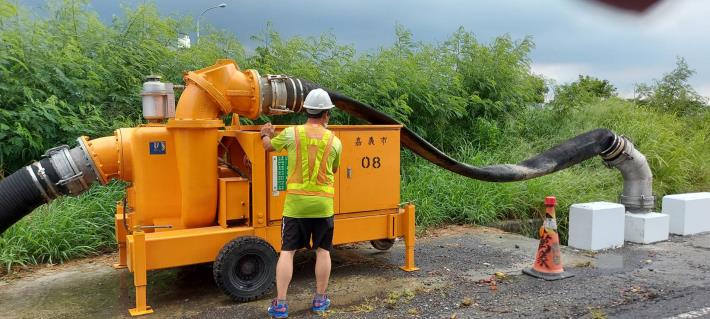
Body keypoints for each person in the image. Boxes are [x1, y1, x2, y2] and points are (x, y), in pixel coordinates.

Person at [260, 88, 342, 318]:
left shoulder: (292, 133)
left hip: (296, 206)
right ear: (326, 114)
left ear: (306, 111)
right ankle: (319, 300)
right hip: (323, 205)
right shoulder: (334, 141)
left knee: (287, 252)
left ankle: (281, 305)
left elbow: (268, 147)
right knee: (323, 251)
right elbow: (334, 169)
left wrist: (264, 133)